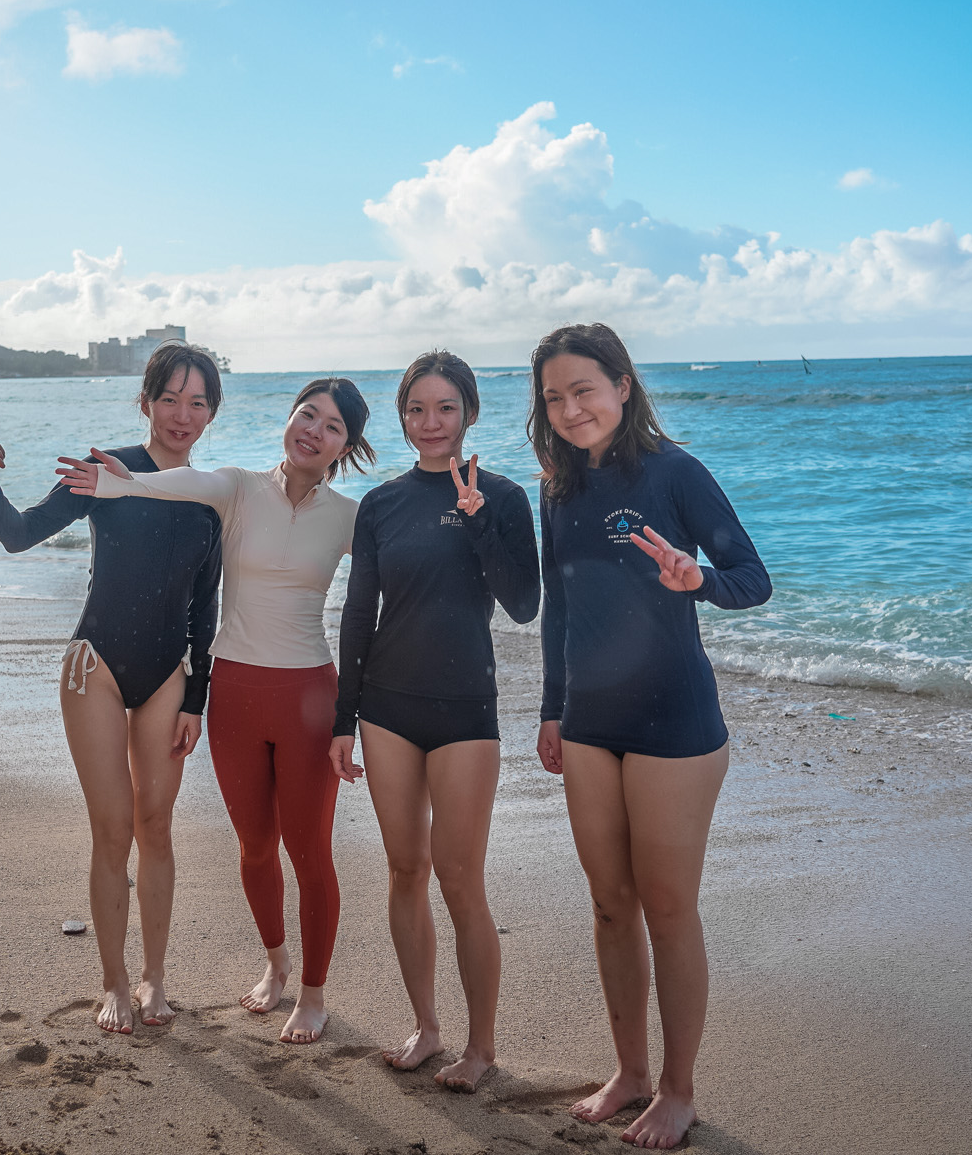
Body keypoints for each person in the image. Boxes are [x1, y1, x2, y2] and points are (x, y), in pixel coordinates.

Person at [56, 377, 373, 1045]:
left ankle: (313, 993)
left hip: (309, 696)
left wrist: (467, 518)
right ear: (289, 418)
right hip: (232, 692)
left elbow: (400, 582)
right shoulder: (236, 487)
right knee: (256, 845)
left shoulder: (349, 517)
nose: (313, 429)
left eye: (333, 426)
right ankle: (277, 965)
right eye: (306, 413)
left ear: (347, 445)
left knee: (309, 849)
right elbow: (176, 484)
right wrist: (120, 485)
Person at [530, 322, 771, 1150]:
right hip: (590, 723)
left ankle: (677, 1088)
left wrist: (695, 577)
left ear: (623, 386)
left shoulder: (676, 472)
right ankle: (629, 1070)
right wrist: (550, 707)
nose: (569, 408)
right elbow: (559, 605)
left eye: (584, 389)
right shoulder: (556, 486)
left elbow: (753, 579)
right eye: (554, 396)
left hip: (675, 721)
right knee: (609, 904)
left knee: (668, 908)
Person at [0, 341, 225, 1034]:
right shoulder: (104, 470)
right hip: (98, 669)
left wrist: (197, 698)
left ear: (211, 414)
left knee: (158, 826)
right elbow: (21, 535)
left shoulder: (211, 498)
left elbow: (208, 607)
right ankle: (113, 978)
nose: (182, 412)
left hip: (169, 675)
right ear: (144, 402)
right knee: (113, 828)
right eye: (169, 397)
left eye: (198, 401)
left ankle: (154, 977)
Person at [330, 351, 538, 1092]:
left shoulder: (505, 496)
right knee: (405, 868)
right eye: (416, 408)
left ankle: (481, 1047)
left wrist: (480, 521)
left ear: (469, 413)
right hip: (387, 705)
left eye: (445, 407)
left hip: (465, 712)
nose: (430, 422)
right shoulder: (381, 504)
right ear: (403, 416)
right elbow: (360, 611)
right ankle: (426, 1025)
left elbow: (523, 603)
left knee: (459, 876)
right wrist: (342, 717)